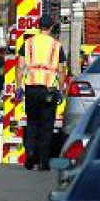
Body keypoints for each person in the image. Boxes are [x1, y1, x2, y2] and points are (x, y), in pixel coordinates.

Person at [16, 14, 67, 171]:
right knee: (46, 125)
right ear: (51, 27)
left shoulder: (28, 43)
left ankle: (30, 154)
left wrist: (19, 87)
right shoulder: (56, 46)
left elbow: (19, 68)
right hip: (49, 90)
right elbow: (61, 70)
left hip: (31, 87)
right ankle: (44, 161)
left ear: (39, 26)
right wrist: (60, 90)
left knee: (31, 122)